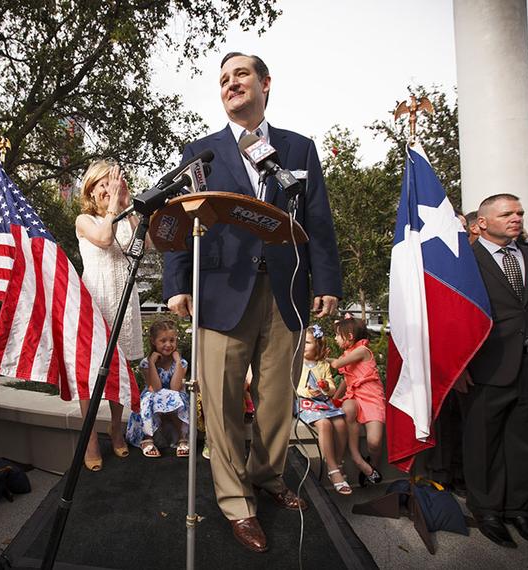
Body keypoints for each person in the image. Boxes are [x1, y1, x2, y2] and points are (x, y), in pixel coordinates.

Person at [163, 52, 342, 553]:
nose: (231, 83)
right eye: (223, 79)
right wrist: (178, 283)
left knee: (278, 400)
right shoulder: (201, 153)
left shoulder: (299, 149)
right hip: (219, 295)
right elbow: (180, 223)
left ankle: (266, 475)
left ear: (265, 83)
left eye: (240, 74)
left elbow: (319, 223)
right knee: (218, 403)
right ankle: (237, 502)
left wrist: (327, 281)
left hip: (286, 291)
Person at [456, 194, 528, 551]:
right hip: (484, 369)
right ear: (483, 223)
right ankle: (487, 510)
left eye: (519, 212)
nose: (516, 218)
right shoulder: (463, 262)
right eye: (507, 213)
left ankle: (519, 510)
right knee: (483, 443)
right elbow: (453, 317)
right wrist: (456, 367)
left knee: (526, 443)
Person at [76, 159, 144, 470]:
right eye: (104, 183)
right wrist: (115, 208)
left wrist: (131, 209)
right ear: (91, 189)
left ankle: (116, 427)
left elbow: (146, 247)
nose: (110, 188)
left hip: (124, 300)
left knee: (120, 370)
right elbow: (104, 240)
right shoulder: (84, 220)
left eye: (115, 182)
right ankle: (89, 438)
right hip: (96, 300)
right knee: (90, 375)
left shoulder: (128, 216)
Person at [328, 315, 384, 487]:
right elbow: (347, 380)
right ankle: (356, 456)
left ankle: (372, 464)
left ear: (350, 337)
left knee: (374, 442)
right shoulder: (349, 354)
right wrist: (335, 399)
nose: (335, 339)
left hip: (372, 398)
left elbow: (337, 365)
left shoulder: (362, 351)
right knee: (348, 408)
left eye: (338, 335)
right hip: (355, 396)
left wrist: (321, 356)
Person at [296, 325, 350, 495]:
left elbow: (332, 387)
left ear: (318, 345)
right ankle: (332, 469)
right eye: (302, 342)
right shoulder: (297, 363)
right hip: (304, 402)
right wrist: (307, 392)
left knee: (341, 423)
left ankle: (338, 461)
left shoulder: (322, 365)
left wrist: (326, 388)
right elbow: (294, 385)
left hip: (323, 401)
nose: (303, 345)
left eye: (308, 342)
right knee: (324, 424)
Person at [126, 319, 190, 457]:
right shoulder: (146, 363)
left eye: (172, 340)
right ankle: (147, 438)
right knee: (150, 398)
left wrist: (178, 361)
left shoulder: (182, 363)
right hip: (154, 395)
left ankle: (181, 438)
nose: (168, 344)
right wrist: (151, 363)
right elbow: (155, 387)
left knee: (176, 397)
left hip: (175, 396)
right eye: (163, 341)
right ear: (154, 341)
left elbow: (175, 387)